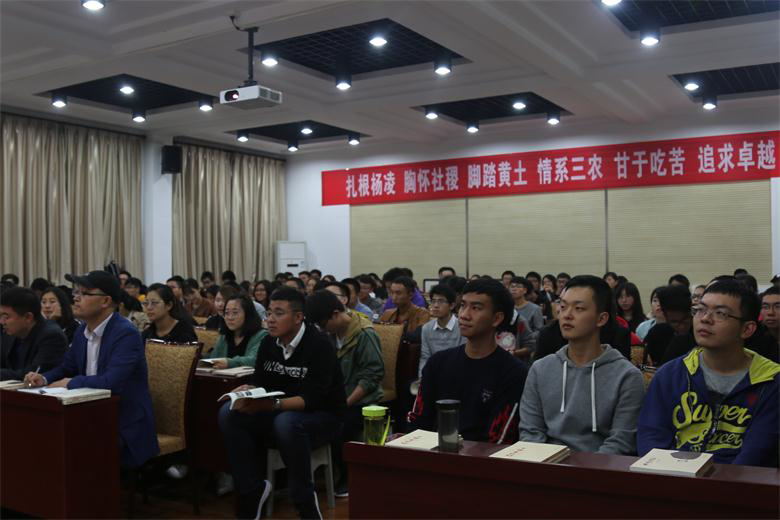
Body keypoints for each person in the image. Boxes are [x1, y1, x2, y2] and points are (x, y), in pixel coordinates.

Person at [218, 288, 346, 519]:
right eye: (268, 313)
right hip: (279, 411)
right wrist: (247, 390)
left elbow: (312, 399)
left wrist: (271, 405)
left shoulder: (320, 345)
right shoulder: (269, 342)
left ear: (298, 317)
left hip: (322, 417)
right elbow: (261, 382)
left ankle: (304, 500)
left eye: (278, 313)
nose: (270, 319)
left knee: (287, 423)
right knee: (229, 413)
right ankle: (251, 490)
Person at [23, 271, 159, 468]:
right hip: (91, 411)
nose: (76, 298)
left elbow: (111, 382)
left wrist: (70, 383)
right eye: (76, 292)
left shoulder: (125, 333)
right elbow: (67, 366)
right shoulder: (82, 330)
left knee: (70, 444)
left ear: (105, 301)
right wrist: (43, 378)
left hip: (122, 420)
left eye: (84, 293)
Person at [638, 280, 779, 466]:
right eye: (700, 310)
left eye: (720, 313)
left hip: (738, 480)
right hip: (673, 476)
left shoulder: (771, 382)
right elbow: (651, 438)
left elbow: (757, 452)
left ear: (747, 329)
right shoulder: (670, 375)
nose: (705, 319)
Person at [520, 276, 644, 454]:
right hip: (546, 464)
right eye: (563, 306)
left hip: (600, 468)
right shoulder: (540, 369)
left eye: (578, 308)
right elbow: (530, 432)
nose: (567, 315)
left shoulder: (627, 376)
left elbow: (621, 442)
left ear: (601, 319)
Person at [408, 278, 527, 443]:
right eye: (463, 305)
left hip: (483, 456)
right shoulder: (438, 363)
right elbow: (418, 422)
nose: (464, 315)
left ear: (496, 318)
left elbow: (499, 439)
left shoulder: (513, 372)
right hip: (434, 451)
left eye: (476, 308)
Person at [306, 289, 384, 497]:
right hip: (337, 398)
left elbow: (371, 376)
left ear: (335, 314)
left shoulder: (364, 334)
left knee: (338, 425)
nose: (322, 329)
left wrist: (344, 403)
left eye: (323, 324)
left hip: (362, 400)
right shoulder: (329, 336)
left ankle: (348, 476)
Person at [1, 287, 68, 381]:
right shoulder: (11, 332)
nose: (1, 322)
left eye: (6, 317)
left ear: (28, 317)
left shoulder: (51, 336)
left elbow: (33, 374)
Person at [205, 294, 267, 369]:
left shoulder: (262, 335)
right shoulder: (224, 336)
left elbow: (254, 360)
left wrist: (230, 363)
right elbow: (213, 358)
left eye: (235, 313)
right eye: (227, 313)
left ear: (248, 314)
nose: (230, 318)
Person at [418, 284, 465, 377]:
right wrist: (422, 377)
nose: (435, 305)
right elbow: (425, 357)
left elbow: (462, 358)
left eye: (441, 301)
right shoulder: (427, 328)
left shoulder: (462, 327)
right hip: (433, 373)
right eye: (433, 301)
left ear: (452, 305)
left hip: (455, 373)